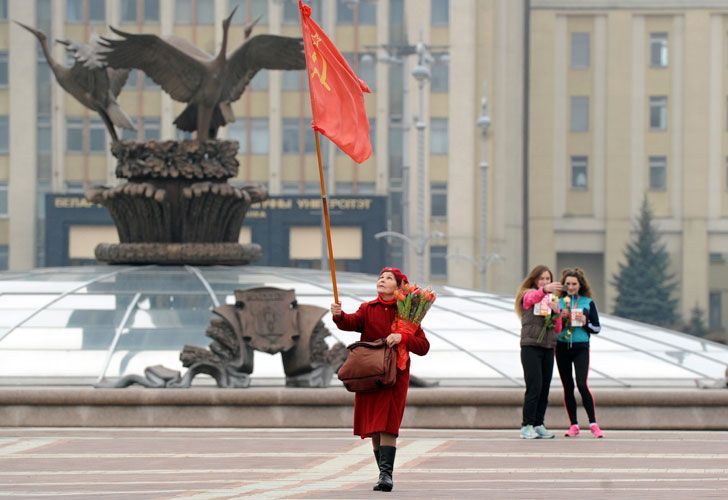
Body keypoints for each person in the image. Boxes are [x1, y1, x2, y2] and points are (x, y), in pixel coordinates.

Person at [331, 267, 430, 492]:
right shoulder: (368, 308)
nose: (382, 281)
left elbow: (423, 347)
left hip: (395, 375)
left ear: (398, 286)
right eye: (380, 277)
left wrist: (403, 336)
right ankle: (382, 473)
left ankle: (386, 475)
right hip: (370, 374)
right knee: (375, 426)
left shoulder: (408, 312)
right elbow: (350, 323)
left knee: (387, 424)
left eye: (388, 278)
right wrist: (338, 315)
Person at [515, 265, 564, 439]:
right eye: (541, 279)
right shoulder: (528, 294)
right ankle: (526, 425)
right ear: (535, 280)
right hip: (531, 346)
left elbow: (557, 328)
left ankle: (538, 423)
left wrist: (557, 312)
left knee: (544, 387)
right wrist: (544, 290)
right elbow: (533, 297)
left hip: (548, 346)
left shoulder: (553, 299)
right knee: (534, 386)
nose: (545, 282)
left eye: (548, 279)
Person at [556, 267, 604, 438]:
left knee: (582, 384)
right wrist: (559, 318)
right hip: (561, 347)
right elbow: (550, 327)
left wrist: (585, 322)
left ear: (580, 284)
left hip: (580, 346)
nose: (570, 287)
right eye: (567, 284)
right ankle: (574, 425)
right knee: (568, 386)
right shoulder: (558, 302)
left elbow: (597, 328)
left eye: (574, 284)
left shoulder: (587, 302)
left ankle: (593, 423)